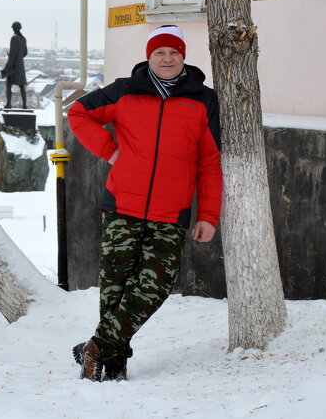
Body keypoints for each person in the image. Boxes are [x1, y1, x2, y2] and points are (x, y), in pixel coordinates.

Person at [67, 24, 222, 382]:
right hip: (122, 205)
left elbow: (210, 162)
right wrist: (110, 151)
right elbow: (78, 113)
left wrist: (208, 215)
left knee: (155, 286)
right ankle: (113, 364)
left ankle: (95, 347)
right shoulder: (124, 91)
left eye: (174, 53)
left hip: (173, 211)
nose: (167, 59)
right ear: (148, 56)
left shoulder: (204, 100)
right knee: (115, 287)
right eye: (159, 53)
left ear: (183, 56)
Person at [0, 21, 28, 109]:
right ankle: (24, 105)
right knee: (22, 86)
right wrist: (19, 57)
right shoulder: (23, 39)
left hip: (14, 66)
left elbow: (12, 55)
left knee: (8, 85)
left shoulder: (14, 38)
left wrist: (7, 67)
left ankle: (8, 104)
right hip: (21, 65)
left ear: (14, 28)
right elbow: (25, 53)